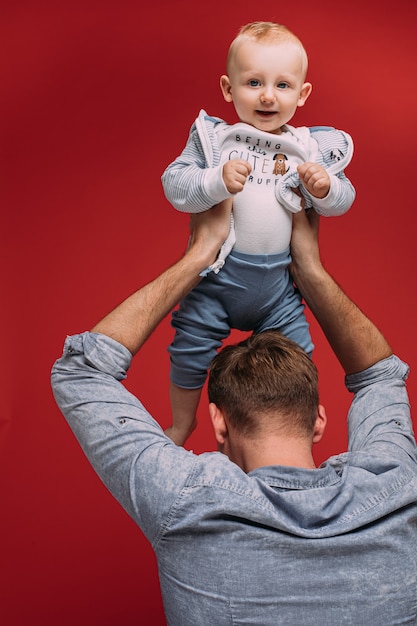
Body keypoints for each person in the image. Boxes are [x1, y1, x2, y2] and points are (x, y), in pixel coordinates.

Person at [51, 201, 417, 625]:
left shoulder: (183, 498)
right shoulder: (396, 485)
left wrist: (200, 255)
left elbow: (81, 370)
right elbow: (380, 378)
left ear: (218, 422)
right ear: (318, 419)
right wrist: (311, 270)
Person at [162, 21, 356, 444]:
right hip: (217, 280)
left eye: (283, 85)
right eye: (253, 82)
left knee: (299, 357)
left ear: (302, 94)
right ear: (228, 89)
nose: (268, 95)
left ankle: (301, 425)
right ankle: (182, 422)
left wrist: (326, 188)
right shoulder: (215, 140)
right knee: (189, 348)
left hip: (278, 290)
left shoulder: (310, 147)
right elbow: (174, 185)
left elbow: (344, 200)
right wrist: (214, 182)